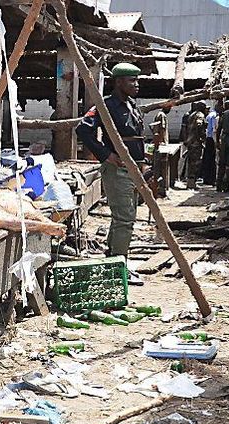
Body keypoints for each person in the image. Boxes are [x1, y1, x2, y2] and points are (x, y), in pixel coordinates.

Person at [76, 62, 147, 278]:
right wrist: (107, 155)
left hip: (133, 168)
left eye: (137, 80)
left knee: (122, 218)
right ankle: (119, 268)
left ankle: (113, 258)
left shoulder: (132, 105)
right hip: (118, 170)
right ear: (118, 82)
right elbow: (83, 130)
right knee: (125, 219)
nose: (136, 85)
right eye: (131, 81)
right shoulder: (104, 106)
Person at [184, 103, 208, 189]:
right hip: (196, 143)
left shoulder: (192, 115)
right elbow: (199, 125)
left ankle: (190, 182)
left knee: (191, 162)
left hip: (190, 141)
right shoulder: (200, 115)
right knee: (195, 163)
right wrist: (201, 138)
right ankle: (192, 182)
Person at [201, 100, 220, 185]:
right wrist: (216, 142)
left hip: (208, 139)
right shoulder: (214, 116)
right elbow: (213, 130)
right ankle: (210, 179)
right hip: (211, 139)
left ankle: (206, 178)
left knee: (207, 159)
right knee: (211, 160)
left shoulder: (209, 115)